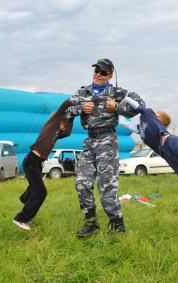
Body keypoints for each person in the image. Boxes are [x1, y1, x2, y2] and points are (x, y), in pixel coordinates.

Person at [64, 58, 145, 238]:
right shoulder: (82, 92)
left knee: (106, 187)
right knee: (81, 184)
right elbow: (65, 111)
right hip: (90, 141)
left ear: (109, 76)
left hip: (107, 140)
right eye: (96, 71)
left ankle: (117, 224)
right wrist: (79, 109)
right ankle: (91, 223)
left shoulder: (117, 92)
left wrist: (117, 106)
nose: (98, 75)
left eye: (102, 72)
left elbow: (140, 105)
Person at [13, 100, 74, 231]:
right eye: (65, 123)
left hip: (37, 162)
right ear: (59, 120)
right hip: (31, 161)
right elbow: (63, 106)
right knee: (41, 192)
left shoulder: (57, 133)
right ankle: (21, 218)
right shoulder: (52, 125)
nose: (65, 127)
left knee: (34, 186)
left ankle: (24, 199)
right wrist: (74, 101)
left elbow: (68, 133)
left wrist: (72, 118)